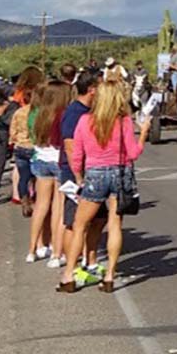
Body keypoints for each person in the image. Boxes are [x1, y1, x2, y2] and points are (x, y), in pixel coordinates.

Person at [60, 80, 152, 293]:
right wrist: (144, 133)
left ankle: (69, 275)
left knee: (80, 225)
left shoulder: (85, 120)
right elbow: (133, 154)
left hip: (95, 173)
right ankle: (110, 275)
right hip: (120, 174)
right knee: (115, 224)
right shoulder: (124, 122)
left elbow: (78, 155)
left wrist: (79, 177)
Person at [59, 72, 107, 276]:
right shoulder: (74, 113)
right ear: (92, 90)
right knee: (75, 222)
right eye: (101, 87)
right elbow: (70, 146)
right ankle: (73, 266)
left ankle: (91, 261)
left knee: (98, 219)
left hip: (93, 172)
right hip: (76, 174)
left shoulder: (89, 111)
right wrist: (78, 176)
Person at [26, 81, 73, 263]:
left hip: (40, 159)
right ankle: (56, 252)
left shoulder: (39, 114)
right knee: (59, 208)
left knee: (40, 205)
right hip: (58, 160)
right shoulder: (62, 116)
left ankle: (32, 249)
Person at [9, 88, 35, 216]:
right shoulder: (38, 112)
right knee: (35, 176)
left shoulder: (18, 112)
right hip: (33, 146)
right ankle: (34, 198)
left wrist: (14, 140)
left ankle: (24, 200)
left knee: (23, 177)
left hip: (20, 146)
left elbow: (12, 130)